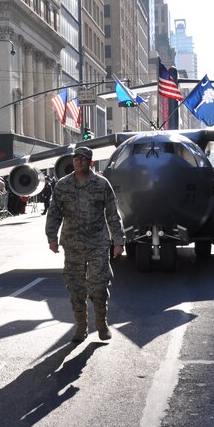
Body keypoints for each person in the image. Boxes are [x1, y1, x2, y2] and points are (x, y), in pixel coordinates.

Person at [45, 146, 125, 343]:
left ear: (91, 162)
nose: (79, 161)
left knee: (99, 285)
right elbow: (54, 212)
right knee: (76, 287)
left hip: (98, 242)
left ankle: (101, 323)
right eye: (76, 158)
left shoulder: (101, 184)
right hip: (73, 244)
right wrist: (51, 237)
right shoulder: (63, 185)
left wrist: (119, 241)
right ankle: (81, 327)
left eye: (83, 158)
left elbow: (112, 214)